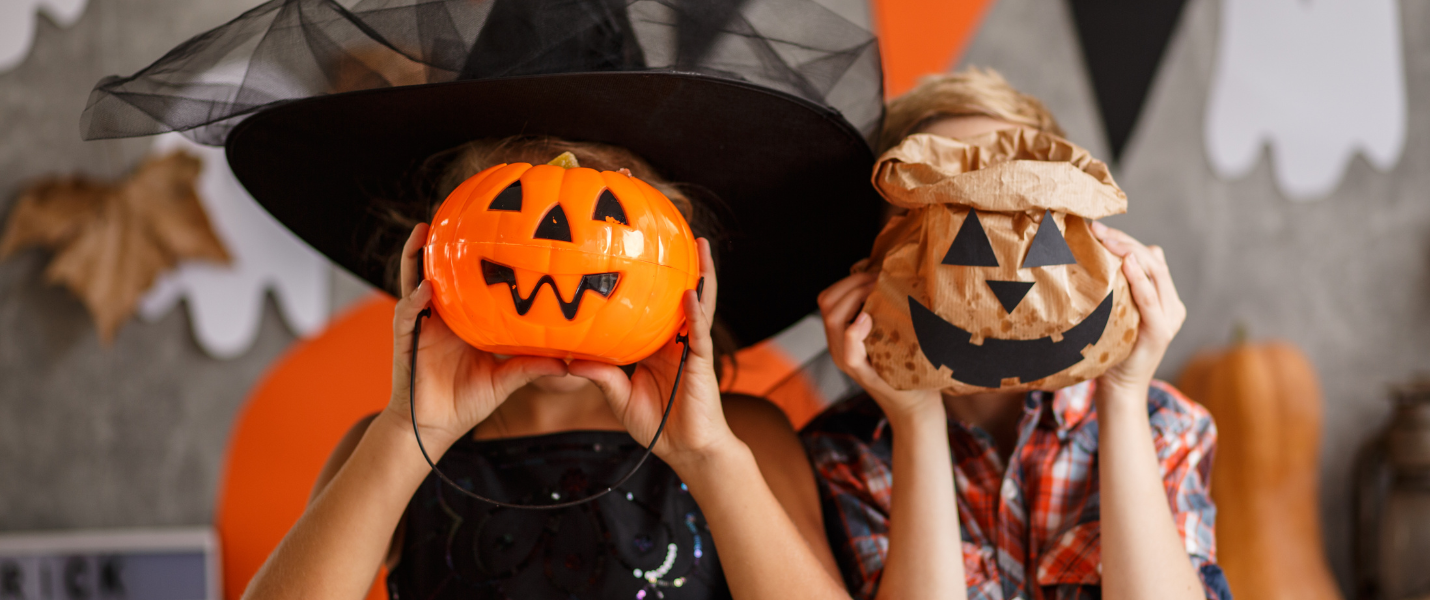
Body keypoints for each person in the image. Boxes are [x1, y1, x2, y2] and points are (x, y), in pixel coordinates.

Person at [78, 0, 887, 598]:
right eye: (511, 210)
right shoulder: (393, 450)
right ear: (434, 255)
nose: (561, 251)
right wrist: (407, 434)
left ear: (681, 261)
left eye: (611, 213)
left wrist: (708, 459)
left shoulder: (740, 438)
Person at [802, 68, 1232, 600]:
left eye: (1026, 223)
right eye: (958, 225)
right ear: (879, 256)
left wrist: (1122, 392)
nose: (1004, 285)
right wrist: (914, 421)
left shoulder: (1166, 423)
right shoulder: (845, 452)